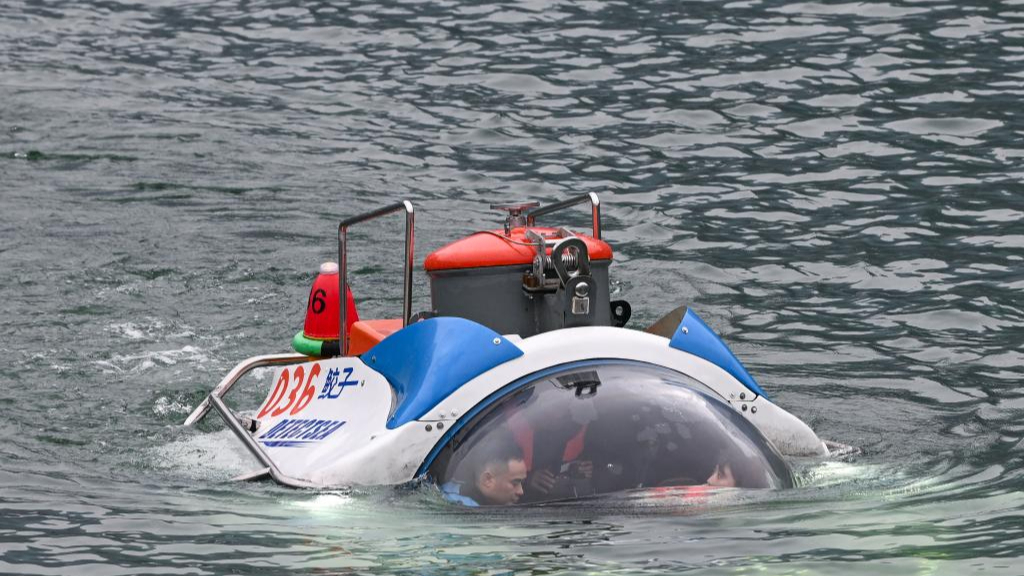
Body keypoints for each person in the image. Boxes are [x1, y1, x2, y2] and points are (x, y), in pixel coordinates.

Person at [441, 437, 527, 506]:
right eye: (514, 483)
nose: (521, 491)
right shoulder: (457, 508)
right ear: (487, 480)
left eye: (522, 483)